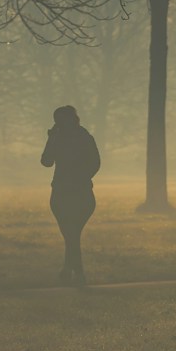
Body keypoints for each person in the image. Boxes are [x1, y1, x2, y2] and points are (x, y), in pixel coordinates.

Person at [42, 105, 100, 284]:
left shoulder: (84, 138)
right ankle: (71, 271)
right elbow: (46, 161)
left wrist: (80, 178)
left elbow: (95, 163)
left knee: (71, 234)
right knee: (71, 234)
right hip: (63, 192)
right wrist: (51, 140)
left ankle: (76, 272)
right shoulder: (58, 138)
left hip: (78, 192)